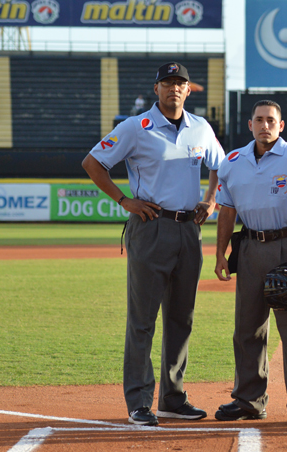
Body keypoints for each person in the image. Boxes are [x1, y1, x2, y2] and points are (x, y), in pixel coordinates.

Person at [82, 62, 225, 426]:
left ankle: (173, 399)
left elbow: (221, 167)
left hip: (188, 229)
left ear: (189, 89)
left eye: (180, 83)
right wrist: (123, 199)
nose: (174, 88)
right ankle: (139, 402)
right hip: (150, 226)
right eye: (167, 82)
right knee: (143, 320)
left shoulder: (201, 128)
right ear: (157, 88)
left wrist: (211, 198)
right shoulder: (136, 127)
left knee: (182, 317)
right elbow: (93, 161)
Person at [214, 100, 287, 427]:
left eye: (271, 120)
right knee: (247, 329)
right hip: (248, 247)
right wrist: (221, 253)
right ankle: (249, 400)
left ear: (281, 125)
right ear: (250, 124)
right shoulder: (232, 162)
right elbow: (226, 212)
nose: (265, 125)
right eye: (259, 120)